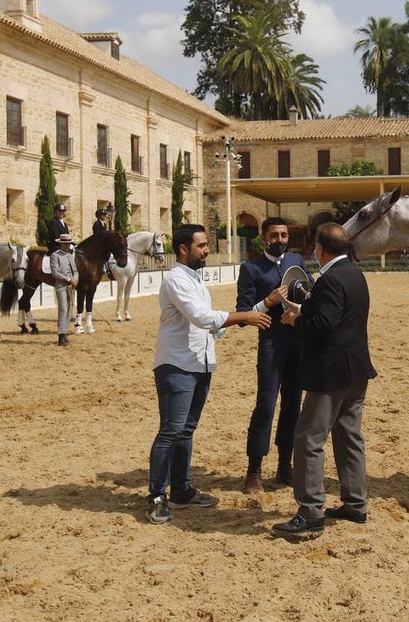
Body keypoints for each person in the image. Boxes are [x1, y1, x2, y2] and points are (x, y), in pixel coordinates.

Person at [147, 223, 271, 525]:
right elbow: (203, 318)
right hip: (176, 365)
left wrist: (264, 305)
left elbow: (210, 327)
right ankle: (156, 496)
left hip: (199, 363)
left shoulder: (195, 280)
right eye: (202, 246)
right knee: (170, 431)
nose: (206, 251)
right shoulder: (176, 280)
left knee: (185, 431)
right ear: (183, 249)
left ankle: (181, 490)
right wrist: (243, 316)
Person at [272, 223, 377, 539]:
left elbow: (324, 324)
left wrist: (297, 318)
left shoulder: (330, 279)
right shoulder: (355, 274)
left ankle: (310, 511)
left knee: (308, 439)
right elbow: (341, 318)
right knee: (348, 436)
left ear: (320, 248)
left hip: (331, 373)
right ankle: (355, 503)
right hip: (356, 369)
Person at [236, 216, 309, 493]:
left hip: (297, 342)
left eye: (284, 236)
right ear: (263, 237)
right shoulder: (251, 268)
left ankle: (284, 466)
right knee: (265, 405)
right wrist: (268, 302)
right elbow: (243, 315)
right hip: (270, 344)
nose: (280, 240)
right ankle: (254, 471)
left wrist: (300, 309)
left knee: (292, 405)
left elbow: (310, 293)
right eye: (275, 236)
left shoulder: (297, 262)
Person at [49, 234, 78, 346]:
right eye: (65, 243)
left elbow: (75, 270)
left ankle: (65, 333)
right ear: (61, 244)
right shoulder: (55, 256)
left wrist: (76, 280)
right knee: (63, 309)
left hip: (71, 286)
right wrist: (69, 279)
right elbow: (55, 272)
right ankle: (61, 335)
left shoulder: (71, 256)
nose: (67, 245)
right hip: (61, 286)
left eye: (68, 244)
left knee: (70, 310)